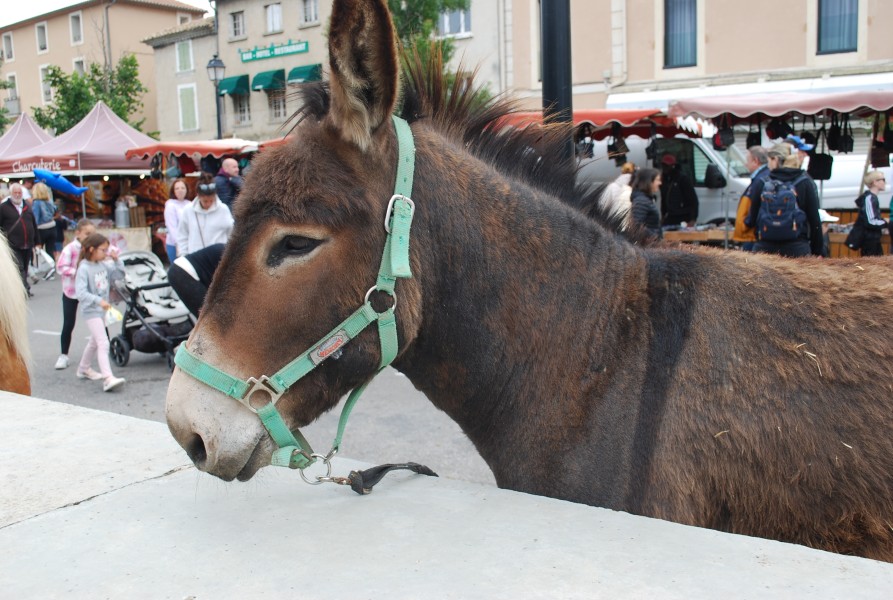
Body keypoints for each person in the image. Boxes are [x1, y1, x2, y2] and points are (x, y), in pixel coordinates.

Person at [748, 143, 822, 258]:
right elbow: (815, 220)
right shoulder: (805, 182)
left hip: (764, 250)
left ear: (775, 159)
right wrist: (818, 251)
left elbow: (752, 220)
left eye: (769, 160)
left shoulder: (762, 182)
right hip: (797, 250)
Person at [74, 232, 126, 392]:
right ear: (91, 250)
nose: (106, 253)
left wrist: (117, 260)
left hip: (101, 310)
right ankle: (107, 378)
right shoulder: (84, 268)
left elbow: (119, 275)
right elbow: (80, 293)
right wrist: (99, 301)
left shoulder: (103, 264)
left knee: (95, 341)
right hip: (92, 311)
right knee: (103, 342)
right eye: (103, 250)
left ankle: (83, 368)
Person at [55, 219, 99, 370]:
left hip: (89, 292)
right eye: (87, 234)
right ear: (78, 233)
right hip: (71, 292)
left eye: (93, 234)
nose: (90, 237)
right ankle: (63, 355)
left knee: (99, 320)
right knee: (68, 323)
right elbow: (61, 268)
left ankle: (103, 350)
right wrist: (77, 272)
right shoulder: (70, 249)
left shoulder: (94, 249)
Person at [177, 172, 234, 255]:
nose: (208, 203)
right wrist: (183, 255)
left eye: (211, 200)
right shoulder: (188, 210)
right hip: (195, 258)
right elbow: (182, 235)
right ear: (198, 196)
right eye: (205, 201)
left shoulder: (223, 209)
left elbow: (231, 234)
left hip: (217, 258)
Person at [0, 183, 38, 296]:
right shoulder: (3, 208)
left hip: (27, 243)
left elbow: (33, 224)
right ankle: (23, 290)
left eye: (19, 192)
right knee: (19, 267)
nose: (17, 195)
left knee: (25, 267)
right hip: (12, 243)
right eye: (15, 193)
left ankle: (23, 287)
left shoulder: (27, 206)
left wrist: (37, 241)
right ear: (11, 194)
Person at [168, 243, 225, 317]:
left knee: (215, 317)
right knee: (212, 317)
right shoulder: (229, 254)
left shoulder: (228, 250)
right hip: (181, 272)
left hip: (187, 271)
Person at [733, 146, 770, 251]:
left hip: (752, 235)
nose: (746, 164)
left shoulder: (760, 180)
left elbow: (755, 207)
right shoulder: (761, 177)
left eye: (748, 160)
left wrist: (747, 223)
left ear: (756, 161)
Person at [659, 154, 698, 226]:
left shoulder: (683, 179)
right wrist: (663, 216)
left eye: (667, 166)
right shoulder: (664, 180)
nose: (664, 168)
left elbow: (693, 200)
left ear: (673, 166)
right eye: (663, 165)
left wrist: (693, 219)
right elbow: (663, 200)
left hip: (684, 216)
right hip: (671, 215)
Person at [854, 170, 887, 257]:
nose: (885, 182)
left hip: (873, 239)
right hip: (869, 240)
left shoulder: (872, 198)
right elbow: (871, 221)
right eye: (883, 179)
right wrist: (886, 222)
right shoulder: (869, 198)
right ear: (875, 182)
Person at [629, 167, 662, 240]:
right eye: (657, 180)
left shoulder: (645, 199)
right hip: (648, 246)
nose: (660, 183)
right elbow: (636, 226)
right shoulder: (641, 201)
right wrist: (654, 237)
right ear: (649, 181)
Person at [31, 182, 60, 264]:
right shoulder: (50, 200)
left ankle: (38, 267)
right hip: (52, 227)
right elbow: (55, 210)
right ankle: (51, 267)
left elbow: (35, 219)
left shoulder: (36, 202)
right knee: (50, 249)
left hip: (42, 229)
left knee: (38, 249)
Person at [163, 178, 190, 264]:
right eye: (177, 188)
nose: (180, 190)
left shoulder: (190, 204)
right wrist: (179, 245)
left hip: (189, 243)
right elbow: (172, 228)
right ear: (173, 191)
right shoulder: (171, 205)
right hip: (174, 245)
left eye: (182, 188)